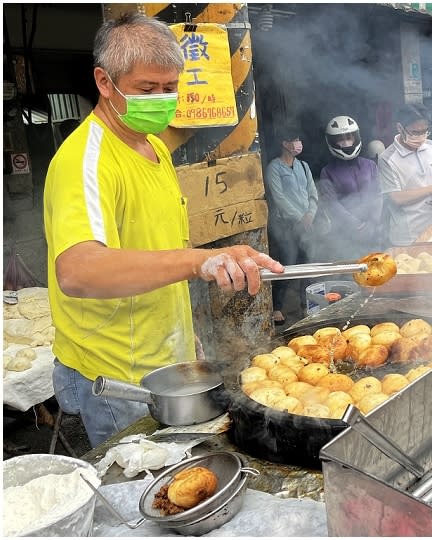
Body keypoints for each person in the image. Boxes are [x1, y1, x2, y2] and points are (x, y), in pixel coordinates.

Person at [42, 13, 284, 448]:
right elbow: (77, 270)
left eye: (170, 87)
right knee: (142, 489)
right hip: (116, 371)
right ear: (104, 81)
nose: (162, 99)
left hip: (164, 358)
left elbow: (161, 246)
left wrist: (187, 336)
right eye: (146, 89)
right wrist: (198, 262)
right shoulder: (85, 160)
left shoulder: (154, 146)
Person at [264, 124, 318, 324]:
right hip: (286, 226)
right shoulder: (274, 168)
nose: (298, 144)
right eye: (294, 140)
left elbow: (313, 193)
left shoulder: (303, 166)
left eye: (298, 140)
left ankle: (307, 305)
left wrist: (310, 214)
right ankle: (277, 307)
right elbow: (279, 199)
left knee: (307, 264)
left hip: (306, 224)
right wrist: (300, 217)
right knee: (285, 264)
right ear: (285, 144)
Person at [378, 104, 432, 247]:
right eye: (415, 133)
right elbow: (396, 198)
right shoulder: (387, 159)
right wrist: (430, 189)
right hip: (409, 237)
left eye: (425, 131)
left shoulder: (431, 146)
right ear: (400, 128)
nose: (421, 137)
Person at [316, 115, 383, 260]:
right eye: (341, 139)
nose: (346, 143)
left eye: (349, 138)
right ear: (332, 142)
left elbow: (378, 194)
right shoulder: (327, 171)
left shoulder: (370, 165)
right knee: (351, 273)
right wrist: (355, 224)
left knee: (377, 269)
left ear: (356, 138)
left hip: (374, 231)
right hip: (346, 236)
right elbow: (331, 203)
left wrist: (373, 221)